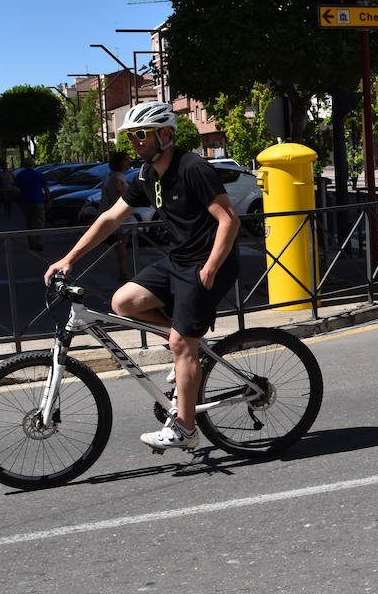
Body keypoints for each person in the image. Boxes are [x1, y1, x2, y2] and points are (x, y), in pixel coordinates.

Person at [44, 101, 241, 451]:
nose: (133, 142)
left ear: (164, 135)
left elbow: (229, 220)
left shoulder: (192, 167)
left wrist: (210, 268)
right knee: (123, 301)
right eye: (130, 136)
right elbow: (110, 218)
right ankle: (187, 349)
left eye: (140, 135)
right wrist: (69, 258)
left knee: (182, 343)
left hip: (210, 264)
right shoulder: (147, 175)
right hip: (179, 260)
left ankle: (186, 429)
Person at [101, 151, 133, 281]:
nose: (129, 161)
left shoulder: (112, 176)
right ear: (119, 162)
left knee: (120, 246)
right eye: (126, 159)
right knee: (121, 246)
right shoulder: (118, 177)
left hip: (114, 215)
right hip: (119, 217)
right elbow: (124, 193)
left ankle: (123, 271)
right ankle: (123, 272)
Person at [12, 156, 50, 252]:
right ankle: (39, 242)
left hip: (26, 202)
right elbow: (46, 188)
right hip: (38, 202)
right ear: (33, 164)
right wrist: (48, 200)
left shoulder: (20, 175)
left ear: (24, 165)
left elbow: (16, 190)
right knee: (40, 222)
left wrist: (18, 202)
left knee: (29, 223)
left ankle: (32, 243)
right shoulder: (38, 174)